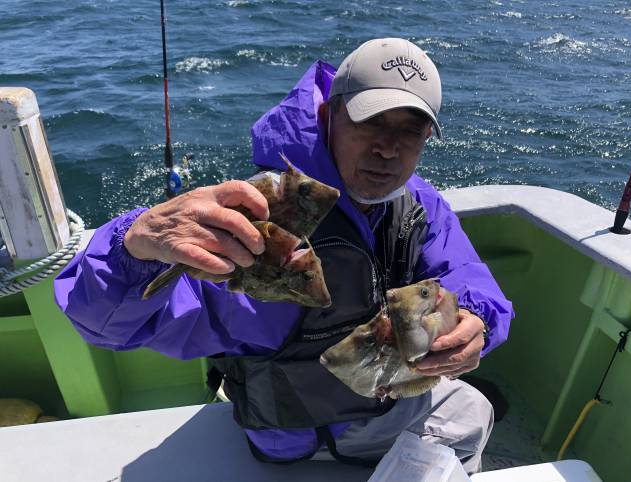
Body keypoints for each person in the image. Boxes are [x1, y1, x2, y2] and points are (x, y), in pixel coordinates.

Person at [54, 38, 513, 474]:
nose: (387, 149)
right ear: (328, 115)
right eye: (370, 121)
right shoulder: (259, 220)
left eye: (409, 131)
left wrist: (479, 320)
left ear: (428, 136)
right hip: (290, 433)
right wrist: (133, 246)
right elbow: (106, 325)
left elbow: (463, 274)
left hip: (371, 393)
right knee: (473, 411)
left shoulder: (418, 204)